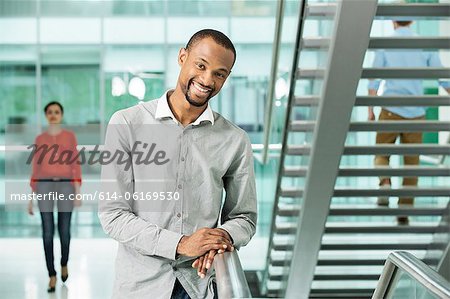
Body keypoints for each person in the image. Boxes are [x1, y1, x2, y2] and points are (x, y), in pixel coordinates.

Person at [98, 29, 257, 299]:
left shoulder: (235, 140)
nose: (207, 80)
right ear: (182, 57)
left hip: (200, 285)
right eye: (201, 65)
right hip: (140, 287)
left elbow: (244, 218)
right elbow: (113, 215)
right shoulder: (126, 124)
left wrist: (221, 237)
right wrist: (182, 244)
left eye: (219, 73)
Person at [368, 20, 450, 225]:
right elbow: (443, 78)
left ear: (393, 21)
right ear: (413, 21)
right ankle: (404, 212)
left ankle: (385, 183)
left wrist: (370, 110)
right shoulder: (424, 44)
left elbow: (374, 80)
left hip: (390, 110)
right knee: (411, 164)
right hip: (415, 112)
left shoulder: (385, 44)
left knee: (381, 152)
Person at [28, 101, 82, 292]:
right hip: (44, 185)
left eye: (56, 112)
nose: (53, 115)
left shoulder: (69, 137)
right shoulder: (40, 139)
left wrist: (77, 191)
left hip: (66, 185)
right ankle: (51, 274)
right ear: (46, 115)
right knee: (47, 232)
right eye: (49, 112)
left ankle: (64, 263)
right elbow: (36, 167)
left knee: (65, 232)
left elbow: (75, 164)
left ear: (61, 115)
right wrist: (31, 196)